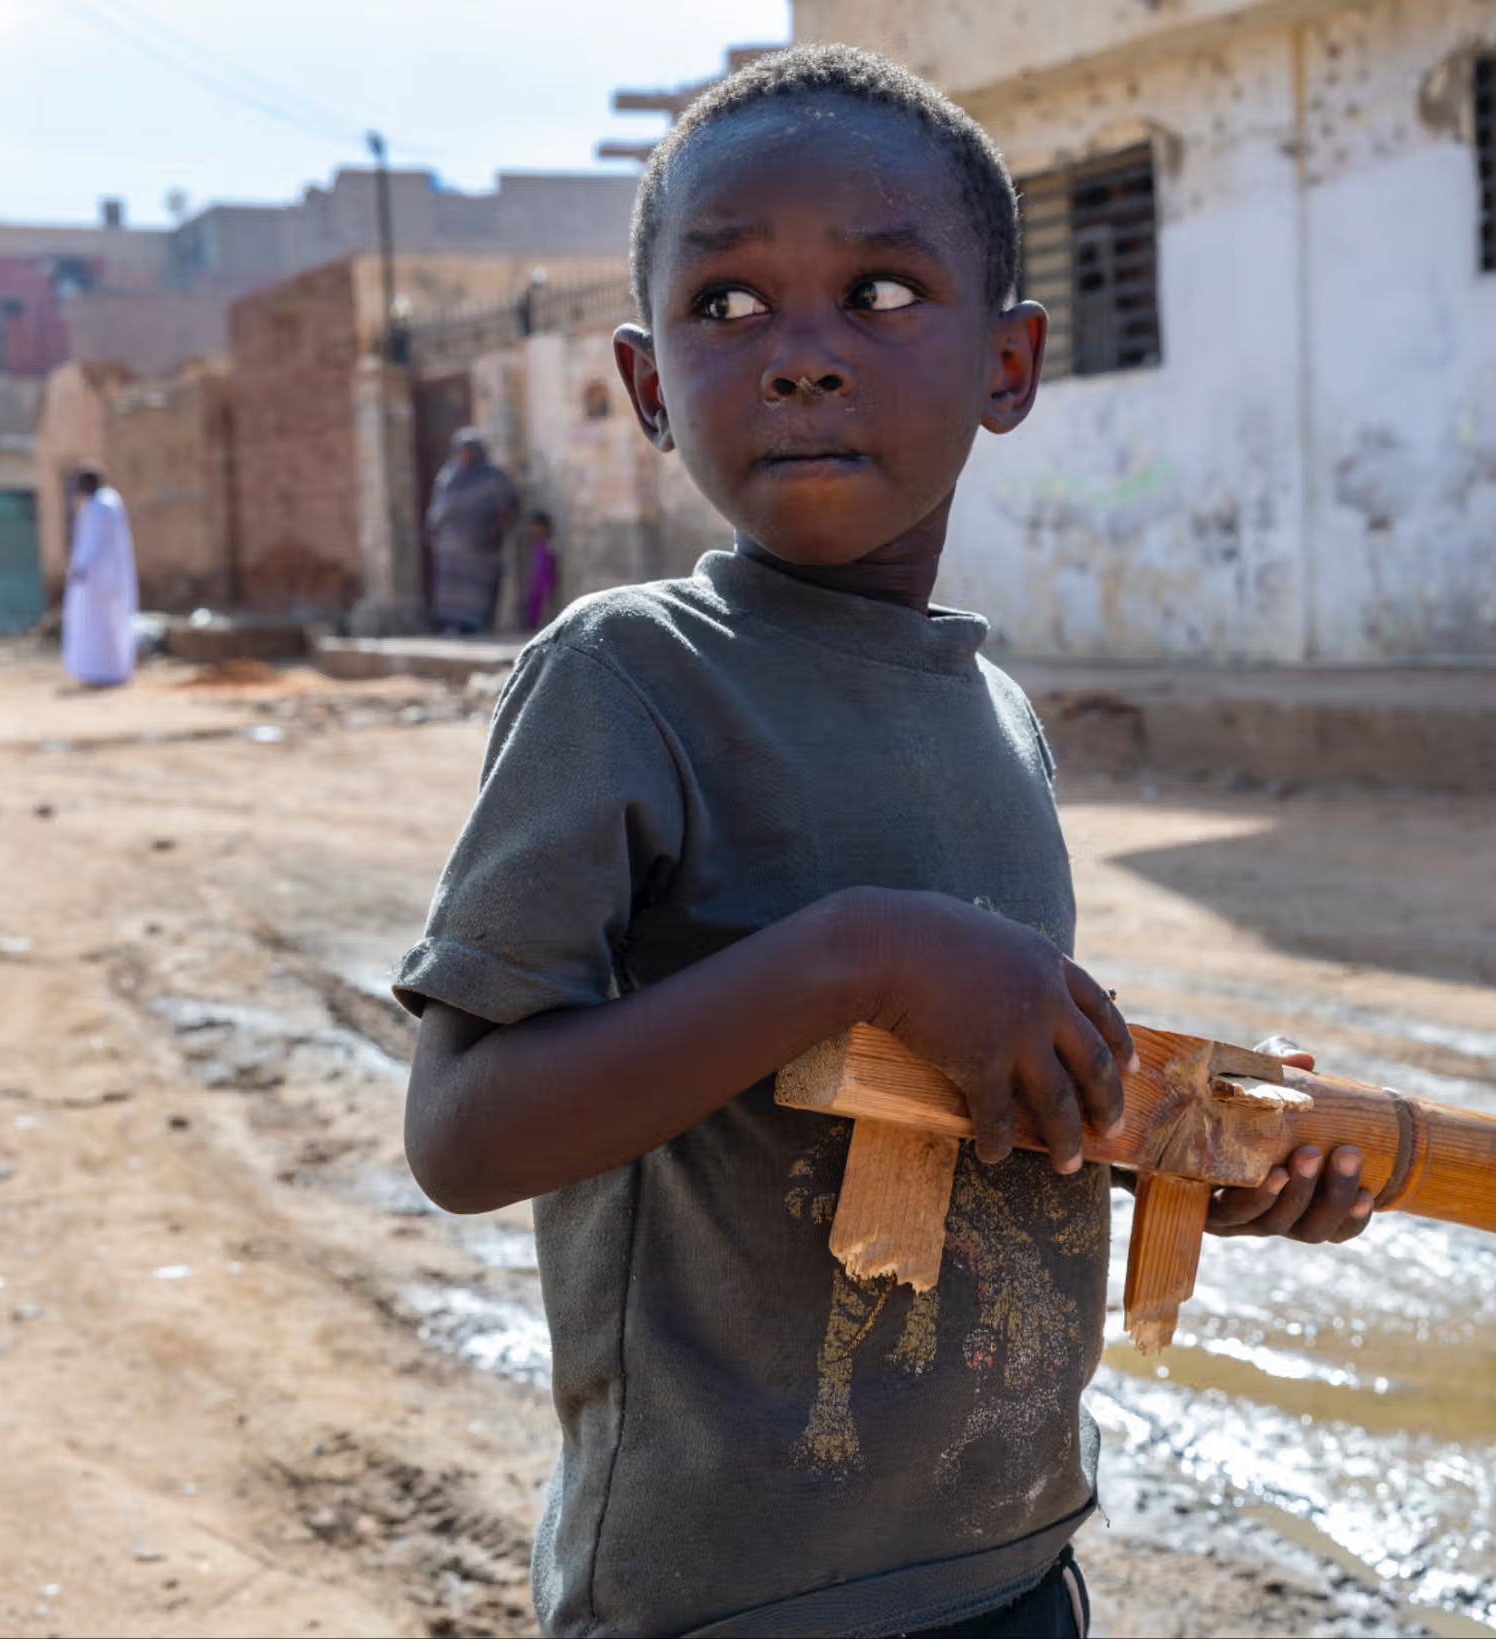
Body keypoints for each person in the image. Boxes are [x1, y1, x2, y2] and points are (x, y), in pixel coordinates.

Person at [395, 45, 1372, 1639]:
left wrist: (1204, 1152)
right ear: (649, 388)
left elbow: (982, 1111)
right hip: (729, 1602)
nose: (801, 357)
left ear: (1009, 362)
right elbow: (463, 1133)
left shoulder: (993, 713)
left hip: (1009, 1566)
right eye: (728, 307)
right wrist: (861, 952)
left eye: (884, 292)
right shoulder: (626, 678)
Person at [424, 427, 519, 634]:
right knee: (451, 590)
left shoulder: (493, 477)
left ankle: (479, 625)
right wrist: (433, 532)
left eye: (466, 450)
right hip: (450, 548)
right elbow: (439, 507)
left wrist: (496, 532)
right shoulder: (449, 476)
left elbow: (508, 507)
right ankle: (452, 625)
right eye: (459, 450)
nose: (462, 455)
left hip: (482, 547)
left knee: (481, 589)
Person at [62, 468, 137, 687]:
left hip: (99, 580)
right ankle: (99, 670)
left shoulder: (101, 506)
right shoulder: (105, 503)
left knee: (103, 627)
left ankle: (106, 672)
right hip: (102, 579)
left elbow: (93, 544)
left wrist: (81, 568)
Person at [522, 509, 562, 628]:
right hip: (536, 581)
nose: (534, 529)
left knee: (544, 608)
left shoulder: (550, 544)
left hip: (545, 581)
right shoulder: (536, 544)